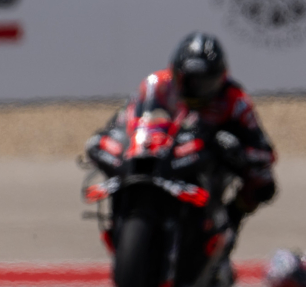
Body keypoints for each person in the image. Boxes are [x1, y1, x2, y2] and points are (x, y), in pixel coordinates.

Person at [85, 32, 276, 231]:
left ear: (221, 78)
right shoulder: (156, 85)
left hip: (206, 163)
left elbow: (264, 151)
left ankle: (228, 221)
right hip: (161, 153)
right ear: (175, 72)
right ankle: (123, 215)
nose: (194, 90)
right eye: (187, 80)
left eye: (204, 82)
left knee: (264, 183)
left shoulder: (236, 100)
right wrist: (109, 138)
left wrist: (236, 149)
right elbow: (124, 120)